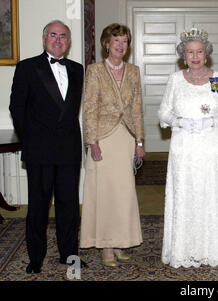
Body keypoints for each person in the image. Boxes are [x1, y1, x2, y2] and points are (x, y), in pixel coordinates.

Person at [9, 20, 86, 274]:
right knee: (38, 207)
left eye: (63, 36)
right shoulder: (27, 67)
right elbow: (17, 109)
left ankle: (69, 255)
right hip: (39, 150)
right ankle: (36, 258)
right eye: (53, 35)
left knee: (69, 207)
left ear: (69, 41)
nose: (58, 40)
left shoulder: (77, 69)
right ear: (44, 38)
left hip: (69, 150)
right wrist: (30, 140)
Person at [158, 28, 218, 268]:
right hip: (183, 149)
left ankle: (212, 250)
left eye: (199, 51)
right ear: (183, 55)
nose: (195, 56)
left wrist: (214, 120)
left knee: (209, 196)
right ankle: (183, 250)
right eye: (190, 52)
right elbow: (163, 112)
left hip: (210, 148)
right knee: (185, 196)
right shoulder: (175, 80)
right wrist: (179, 121)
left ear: (207, 54)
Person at [80, 23, 145, 267]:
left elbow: (137, 108)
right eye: (116, 41)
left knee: (123, 193)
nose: (120, 45)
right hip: (103, 139)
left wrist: (139, 141)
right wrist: (92, 141)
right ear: (107, 43)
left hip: (125, 137)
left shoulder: (134, 71)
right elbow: (89, 109)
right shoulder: (95, 71)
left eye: (125, 41)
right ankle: (106, 245)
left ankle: (119, 242)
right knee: (105, 194)